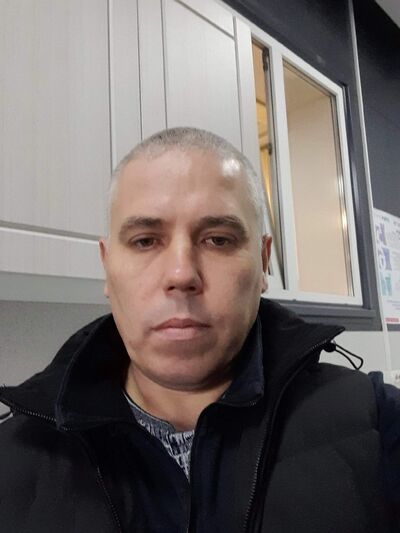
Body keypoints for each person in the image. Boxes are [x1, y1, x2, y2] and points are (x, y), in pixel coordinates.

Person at [0, 127, 399, 532]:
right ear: (107, 265)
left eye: (218, 240)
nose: (181, 274)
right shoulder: (14, 456)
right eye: (145, 241)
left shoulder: (376, 421)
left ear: (263, 261)